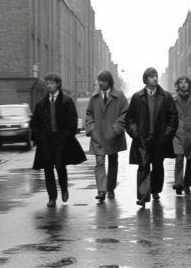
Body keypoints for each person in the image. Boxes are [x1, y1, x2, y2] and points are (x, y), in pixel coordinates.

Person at [30, 73, 87, 207]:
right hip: (46, 141)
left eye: (51, 83)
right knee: (48, 168)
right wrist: (40, 138)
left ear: (58, 85)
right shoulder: (41, 104)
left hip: (61, 140)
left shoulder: (67, 101)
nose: (48, 85)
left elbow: (72, 121)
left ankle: (64, 188)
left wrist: (66, 136)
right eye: (47, 83)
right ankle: (52, 198)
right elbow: (34, 123)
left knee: (60, 166)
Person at [126, 67, 178, 208]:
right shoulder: (137, 97)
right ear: (145, 79)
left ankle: (155, 191)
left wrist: (166, 136)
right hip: (142, 139)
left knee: (157, 166)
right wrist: (135, 134)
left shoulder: (166, 97)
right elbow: (129, 119)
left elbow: (173, 118)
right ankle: (143, 196)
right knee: (143, 166)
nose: (155, 78)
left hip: (160, 139)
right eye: (151, 76)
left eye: (156, 75)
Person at [86, 70, 129, 203]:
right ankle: (101, 190)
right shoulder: (94, 97)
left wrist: (116, 129)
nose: (100, 83)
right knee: (99, 163)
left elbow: (126, 114)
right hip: (98, 135)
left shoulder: (119, 96)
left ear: (109, 82)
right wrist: (92, 129)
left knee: (113, 161)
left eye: (103, 81)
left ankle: (110, 189)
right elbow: (89, 114)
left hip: (113, 135)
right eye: (99, 80)